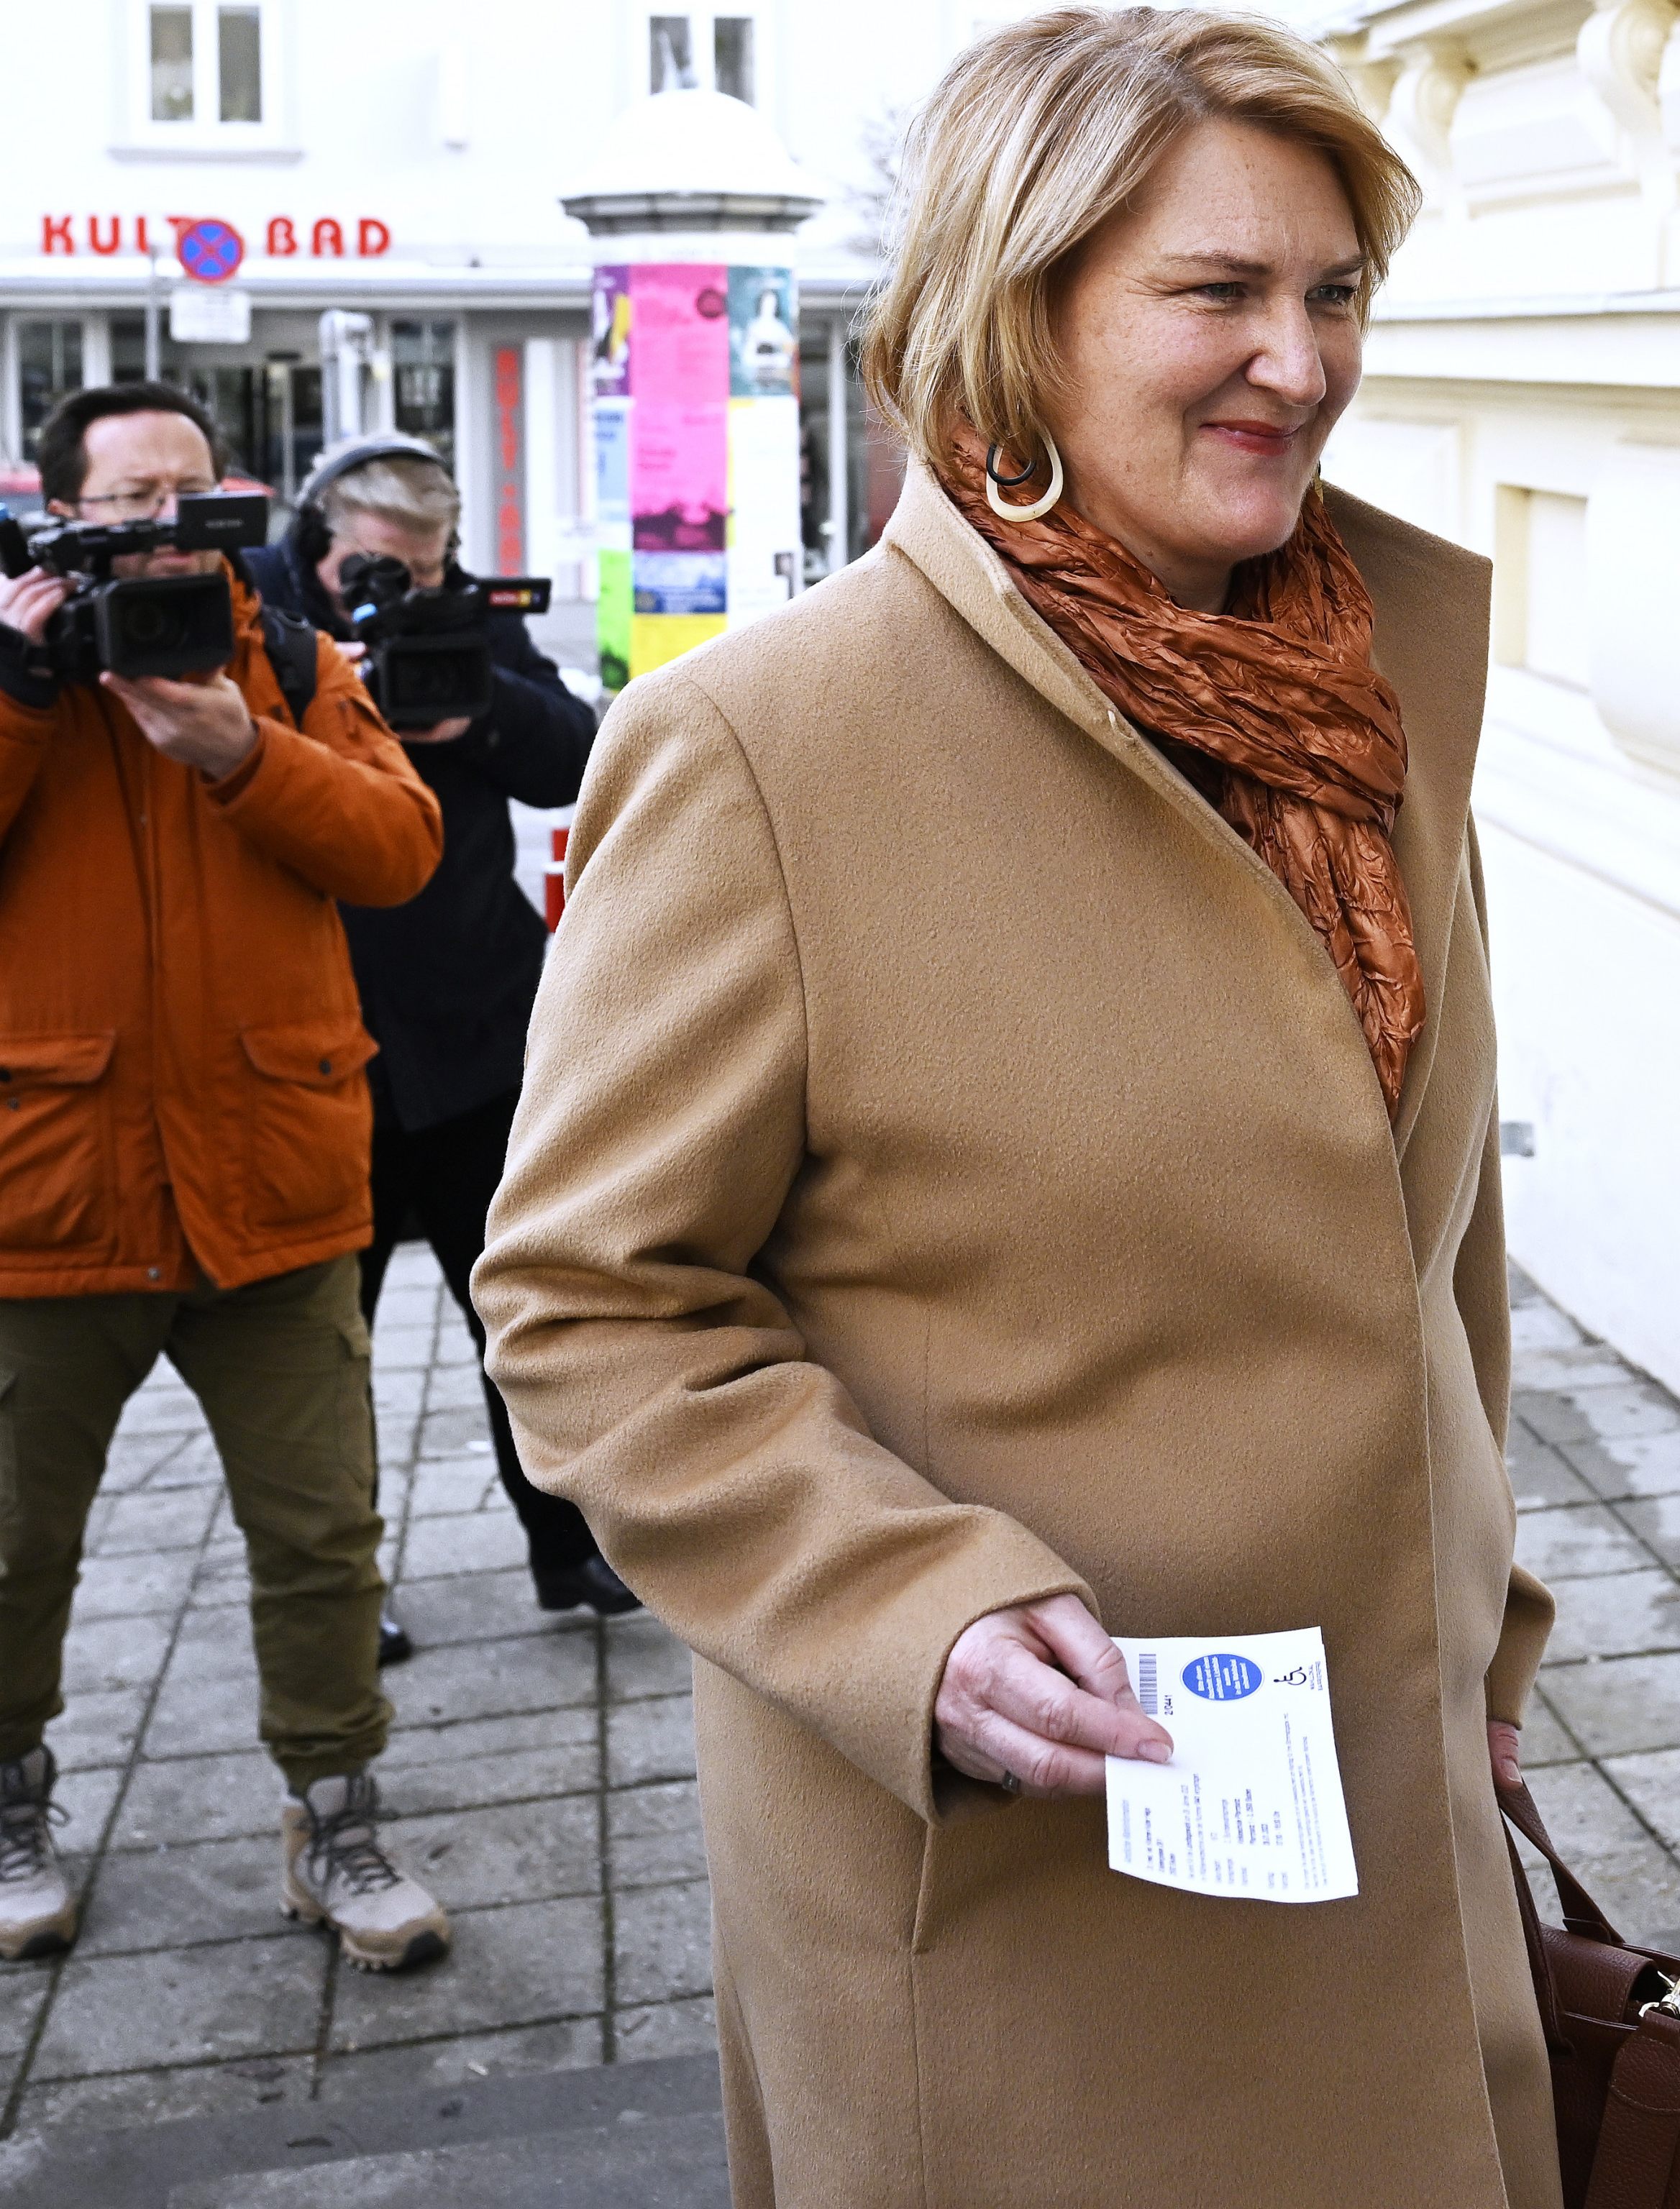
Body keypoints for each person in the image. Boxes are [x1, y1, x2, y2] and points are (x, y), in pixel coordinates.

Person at [472, 11, 1560, 2205]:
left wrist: (1491, 1631)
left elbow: (1434, 1253)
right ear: (1014, 312)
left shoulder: (1373, 699)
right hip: (1031, 1886)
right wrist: (914, 1618)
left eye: (1334, 292)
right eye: (1218, 295)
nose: (1303, 360)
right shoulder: (769, 750)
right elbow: (593, 1309)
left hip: (1392, 1802)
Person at [0, 382, 455, 1973]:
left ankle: (335, 1811)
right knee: (10, 1540)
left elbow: (399, 849)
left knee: (324, 1534)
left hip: (270, 1185)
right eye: (126, 498)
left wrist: (246, 753)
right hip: (43, 1200)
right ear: (54, 511)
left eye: (191, 498)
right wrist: (19, 695)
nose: (161, 527)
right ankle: (9, 1797)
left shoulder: (291, 662)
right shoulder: (8, 677)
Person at [239, 441, 632, 1638]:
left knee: (521, 1310)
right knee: (321, 1352)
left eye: (422, 566)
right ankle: (347, 1597)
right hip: (317, 1043)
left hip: (474, 1029)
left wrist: (470, 705)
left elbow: (576, 751)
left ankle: (569, 1552)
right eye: (373, 567)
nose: (396, 590)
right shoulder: (253, 619)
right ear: (319, 542)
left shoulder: (452, 612)